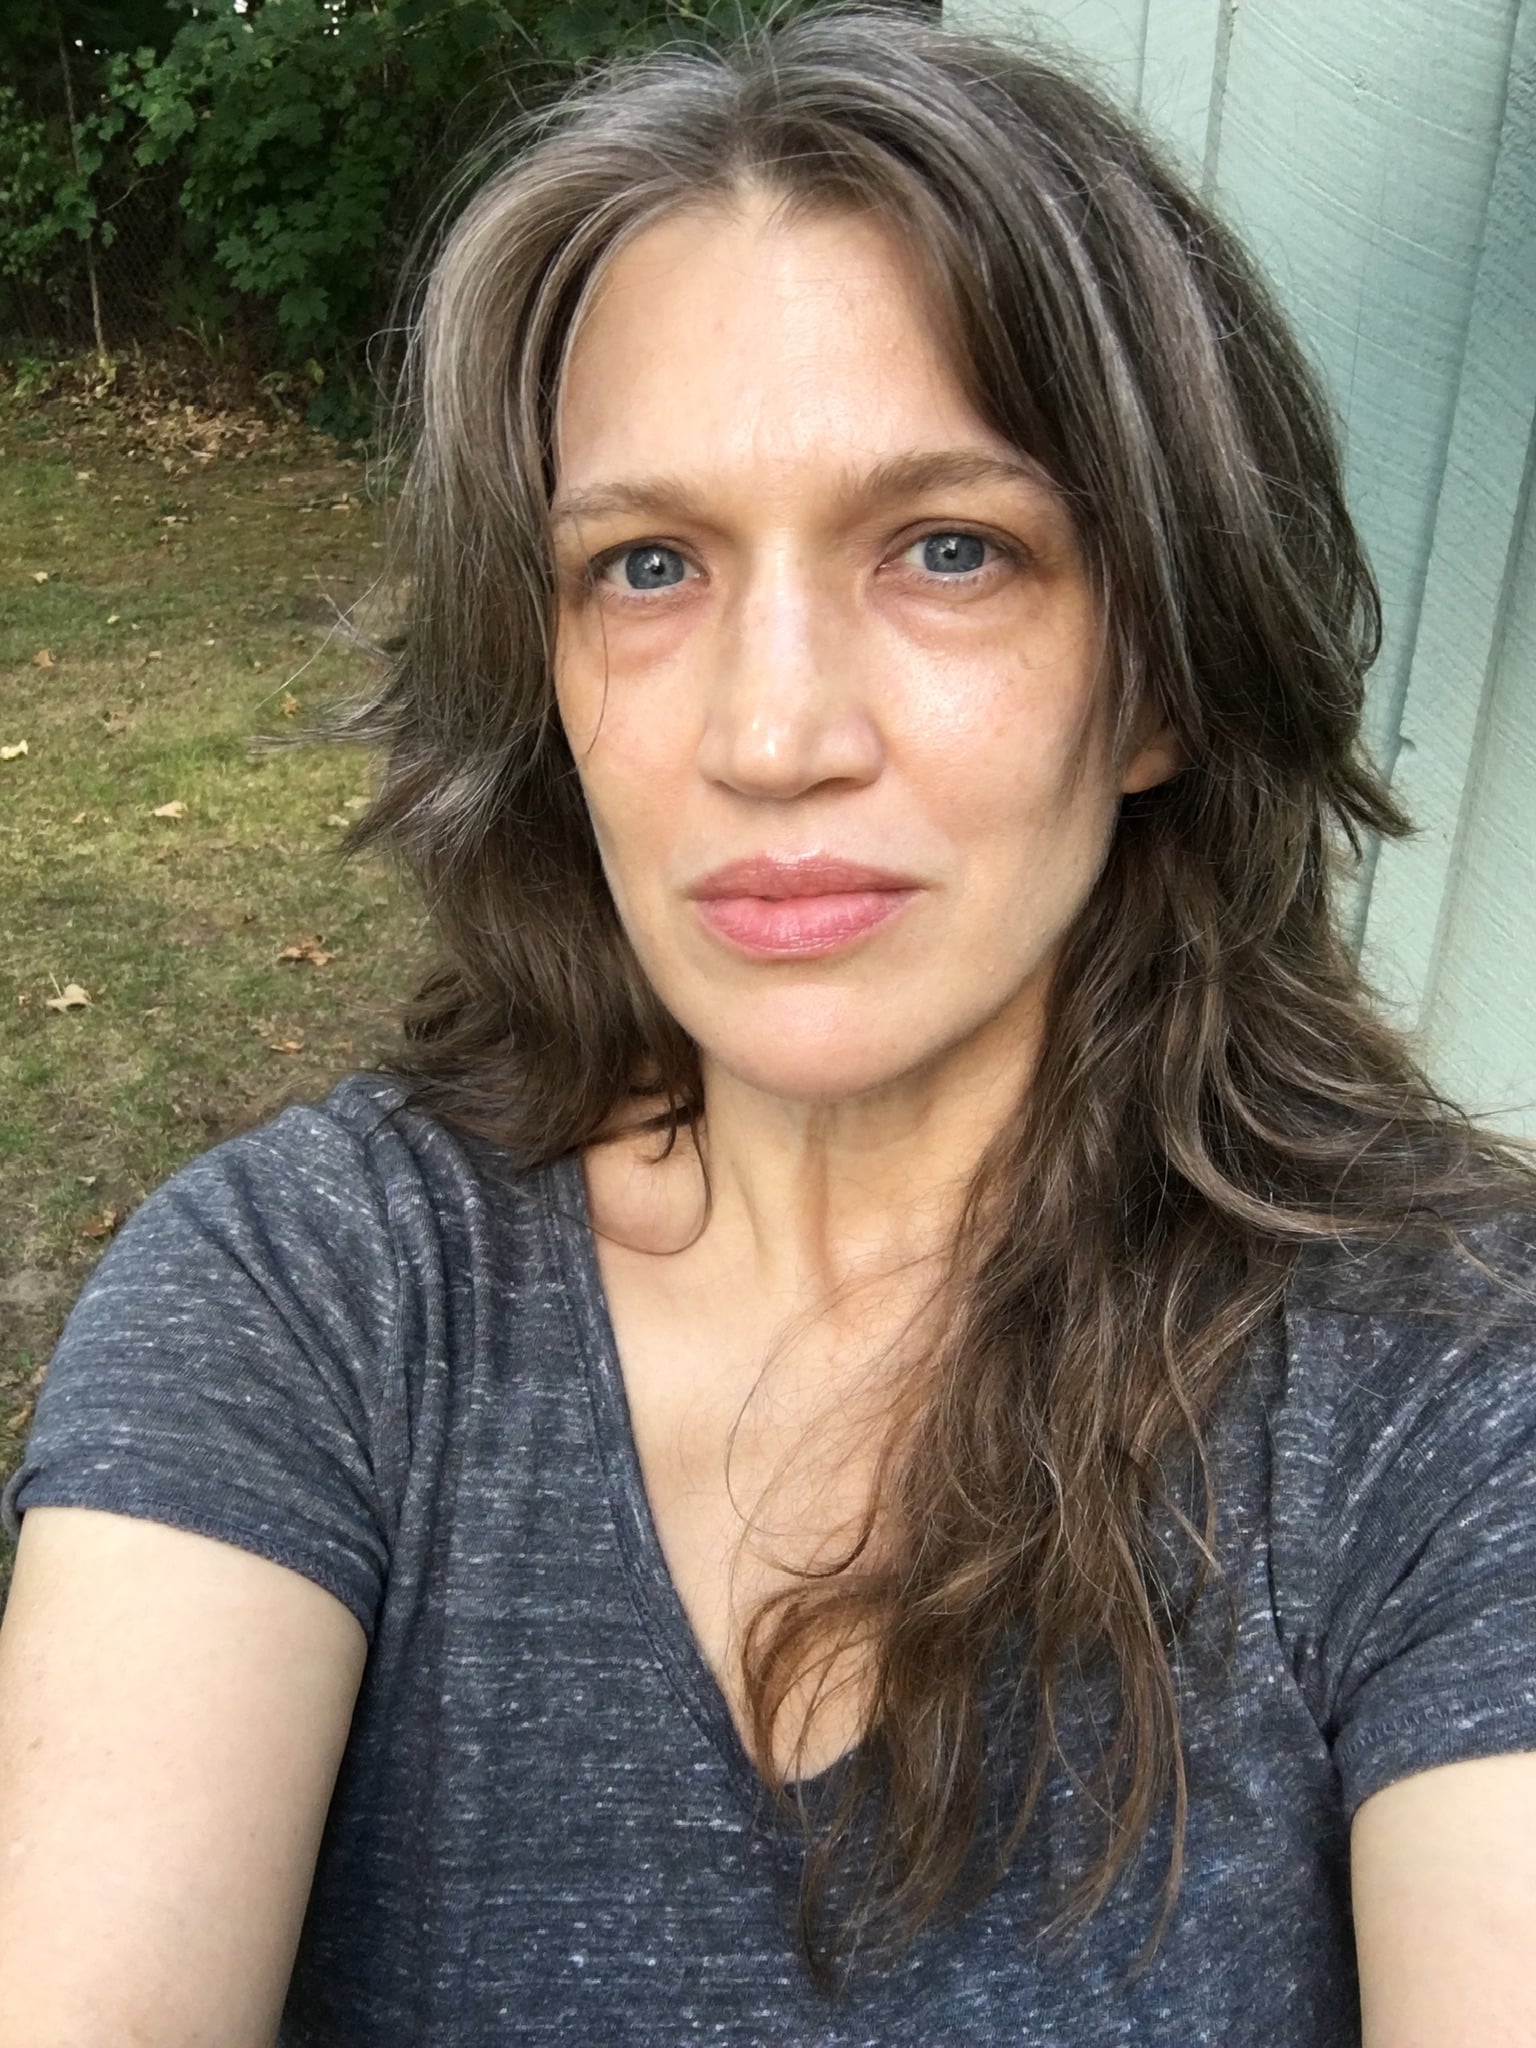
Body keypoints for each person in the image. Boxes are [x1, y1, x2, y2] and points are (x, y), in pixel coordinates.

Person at [2, 4, 1534, 2041]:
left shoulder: (1447, 1384)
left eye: (951, 550)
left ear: (1161, 675)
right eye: (647, 565)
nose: (774, 732)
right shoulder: (306, 1305)